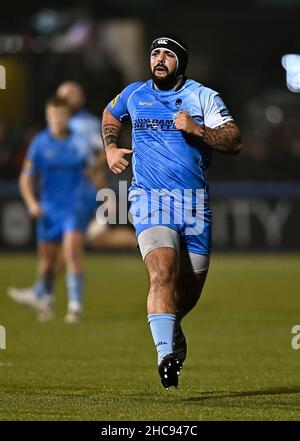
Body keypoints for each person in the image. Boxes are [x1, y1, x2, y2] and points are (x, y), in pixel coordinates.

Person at [102, 34, 242, 389]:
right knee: (162, 272)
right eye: (155, 53)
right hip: (149, 199)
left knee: (188, 294)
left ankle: (171, 329)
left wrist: (198, 130)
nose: (159, 59)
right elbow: (110, 113)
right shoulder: (134, 93)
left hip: (194, 205)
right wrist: (111, 147)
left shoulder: (202, 96)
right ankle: (165, 356)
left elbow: (234, 140)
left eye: (167, 54)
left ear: (181, 62)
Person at [16, 96, 98, 322]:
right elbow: (25, 179)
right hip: (49, 209)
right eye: (53, 116)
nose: (58, 120)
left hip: (74, 207)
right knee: (47, 262)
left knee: (72, 251)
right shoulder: (39, 144)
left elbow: (92, 172)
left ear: (68, 117)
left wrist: (101, 198)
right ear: (47, 117)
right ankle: (47, 297)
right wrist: (32, 203)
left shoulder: (78, 142)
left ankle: (75, 306)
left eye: (61, 116)